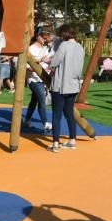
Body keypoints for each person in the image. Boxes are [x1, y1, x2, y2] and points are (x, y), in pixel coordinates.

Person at [46, 24, 85, 152]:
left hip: (60, 85)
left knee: (56, 115)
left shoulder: (64, 46)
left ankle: (55, 144)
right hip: (73, 85)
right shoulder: (80, 47)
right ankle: (72, 140)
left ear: (64, 34)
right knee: (69, 114)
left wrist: (48, 60)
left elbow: (54, 62)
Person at [25, 31, 51, 132]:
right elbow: (27, 67)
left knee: (34, 100)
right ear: (38, 37)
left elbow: (48, 61)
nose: (45, 40)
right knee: (42, 99)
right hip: (34, 79)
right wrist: (40, 62)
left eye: (46, 38)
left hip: (43, 78)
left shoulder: (45, 48)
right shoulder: (31, 49)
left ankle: (27, 120)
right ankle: (45, 123)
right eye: (43, 38)